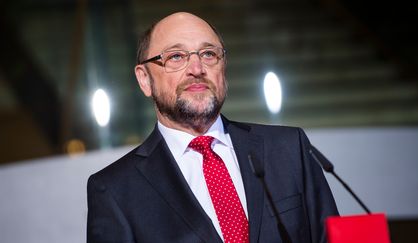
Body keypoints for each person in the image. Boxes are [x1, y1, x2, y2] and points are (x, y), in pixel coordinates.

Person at [87, 12, 338, 243]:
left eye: (208, 54)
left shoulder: (287, 149)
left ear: (223, 66)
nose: (197, 69)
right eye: (176, 57)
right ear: (145, 79)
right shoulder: (115, 190)